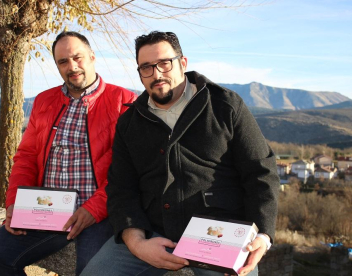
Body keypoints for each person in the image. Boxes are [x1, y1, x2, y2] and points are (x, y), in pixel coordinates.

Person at [81, 31, 280, 276]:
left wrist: (263, 234)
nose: (157, 74)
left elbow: (261, 171)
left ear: (182, 63)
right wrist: (136, 242)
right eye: (146, 68)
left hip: (221, 234)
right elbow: (122, 188)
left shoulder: (224, 105)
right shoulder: (130, 122)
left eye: (164, 63)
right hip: (153, 231)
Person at [0, 31, 137, 276]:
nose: (72, 66)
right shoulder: (44, 101)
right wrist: (14, 203)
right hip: (45, 209)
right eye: (63, 61)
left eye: (78, 57)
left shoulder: (123, 101)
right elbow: (27, 157)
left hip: (97, 211)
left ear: (93, 57)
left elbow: (129, 170)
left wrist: (93, 210)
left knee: (93, 272)